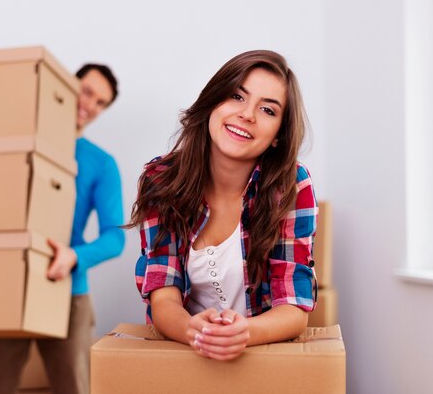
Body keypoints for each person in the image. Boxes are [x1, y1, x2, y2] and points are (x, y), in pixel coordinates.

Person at [129, 50, 317, 362]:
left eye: (268, 110)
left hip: (259, 359)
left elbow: (294, 308)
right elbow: (163, 296)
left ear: (277, 136)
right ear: (213, 101)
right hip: (185, 357)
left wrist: (243, 332)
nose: (247, 115)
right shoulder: (160, 181)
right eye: (236, 96)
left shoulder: (291, 185)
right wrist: (193, 330)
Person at [0, 63, 125, 394]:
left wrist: (73, 256)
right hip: (8, 283)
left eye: (101, 103)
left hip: (67, 291)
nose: (90, 105)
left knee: (72, 387)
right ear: (67, 84)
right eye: (87, 91)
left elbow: (115, 237)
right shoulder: (16, 145)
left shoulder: (101, 163)